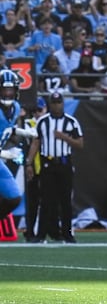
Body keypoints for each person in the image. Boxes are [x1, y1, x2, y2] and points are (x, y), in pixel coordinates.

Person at [26, 91, 82, 244]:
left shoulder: (71, 122)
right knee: (46, 200)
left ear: (62, 103)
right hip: (47, 163)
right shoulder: (43, 122)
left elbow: (80, 144)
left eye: (58, 102)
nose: (56, 105)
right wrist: (29, 162)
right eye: (53, 103)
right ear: (50, 104)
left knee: (65, 201)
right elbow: (36, 143)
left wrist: (64, 137)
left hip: (64, 163)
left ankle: (68, 234)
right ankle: (41, 234)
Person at [0, 71, 37, 225]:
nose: (8, 93)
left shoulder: (15, 107)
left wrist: (26, 132)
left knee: (14, 198)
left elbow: (8, 128)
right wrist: (6, 154)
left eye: (10, 90)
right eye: (4, 89)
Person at [22, 97, 47, 241]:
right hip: (33, 167)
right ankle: (31, 231)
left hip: (47, 167)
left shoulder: (49, 123)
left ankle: (44, 231)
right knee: (32, 202)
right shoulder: (28, 124)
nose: (37, 113)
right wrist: (28, 164)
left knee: (47, 202)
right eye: (35, 111)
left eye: (40, 110)